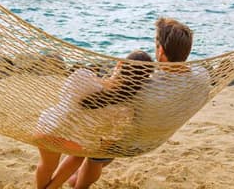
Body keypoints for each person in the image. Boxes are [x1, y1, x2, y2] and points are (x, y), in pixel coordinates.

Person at [52, 17, 203, 189]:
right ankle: (77, 177)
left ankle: (80, 185)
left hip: (127, 141)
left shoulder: (146, 91)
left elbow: (119, 97)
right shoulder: (201, 77)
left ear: (160, 51)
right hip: (154, 139)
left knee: (102, 143)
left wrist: (114, 76)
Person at [34, 50, 153, 189]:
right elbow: (110, 138)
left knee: (46, 166)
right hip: (75, 144)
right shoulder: (125, 110)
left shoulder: (83, 76)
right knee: (79, 155)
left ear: (119, 64)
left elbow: (63, 96)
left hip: (47, 128)